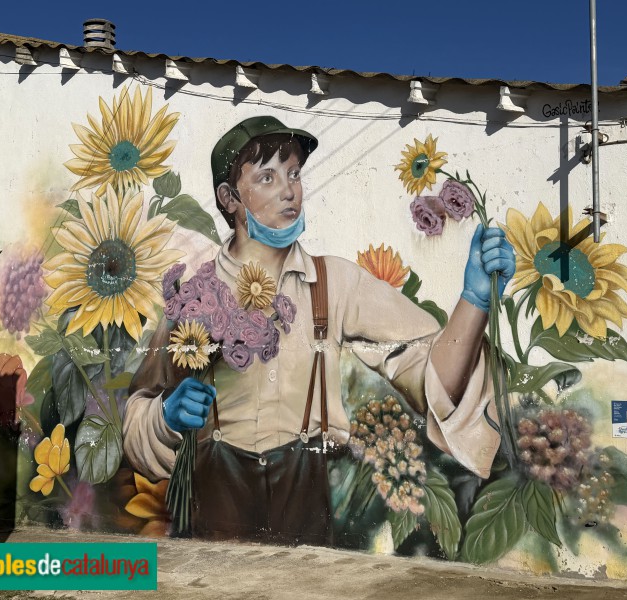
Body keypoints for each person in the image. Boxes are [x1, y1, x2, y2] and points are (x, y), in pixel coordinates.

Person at [122, 116, 516, 545]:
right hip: (216, 514)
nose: (290, 190)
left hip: (305, 505)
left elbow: (431, 376)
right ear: (229, 197)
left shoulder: (337, 284)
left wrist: (474, 300)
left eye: (294, 174)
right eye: (268, 177)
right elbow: (137, 414)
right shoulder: (193, 295)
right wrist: (164, 417)